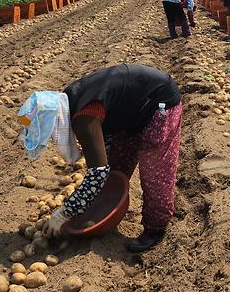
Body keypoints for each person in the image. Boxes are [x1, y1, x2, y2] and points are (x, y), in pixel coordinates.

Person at [17, 64, 183, 252]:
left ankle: (155, 228)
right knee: (116, 165)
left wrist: (63, 214)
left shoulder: (83, 119)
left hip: (159, 103)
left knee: (155, 173)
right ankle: (105, 210)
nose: (52, 138)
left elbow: (98, 174)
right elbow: (103, 145)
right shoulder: (66, 103)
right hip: (132, 110)